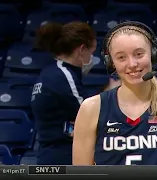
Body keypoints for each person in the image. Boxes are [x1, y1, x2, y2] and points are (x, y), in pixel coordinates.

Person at [72, 21, 157, 165]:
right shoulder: (91, 108)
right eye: (121, 57)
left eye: (139, 54)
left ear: (153, 54)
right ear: (111, 62)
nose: (132, 64)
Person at [31, 21, 120, 165]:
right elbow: (88, 112)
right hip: (61, 158)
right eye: (91, 53)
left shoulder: (51, 72)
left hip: (50, 156)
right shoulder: (63, 75)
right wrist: (111, 91)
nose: (91, 59)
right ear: (81, 50)